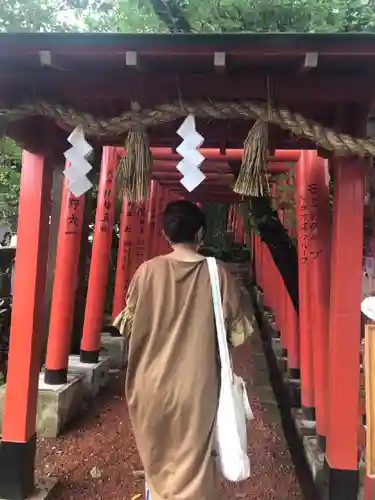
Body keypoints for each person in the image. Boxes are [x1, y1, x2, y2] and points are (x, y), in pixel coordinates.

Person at [114, 200, 256, 500]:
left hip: (149, 385)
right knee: (196, 464)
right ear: (200, 234)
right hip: (197, 386)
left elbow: (127, 327)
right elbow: (238, 335)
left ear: (166, 234)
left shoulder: (146, 272)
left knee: (158, 460)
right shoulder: (218, 274)